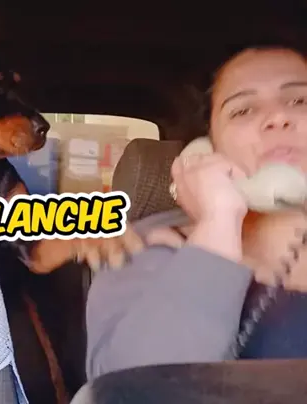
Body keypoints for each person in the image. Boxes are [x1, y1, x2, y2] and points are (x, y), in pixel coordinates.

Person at [85, 44, 307, 380]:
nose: (278, 117)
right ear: (205, 151)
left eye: (300, 101)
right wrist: (217, 227)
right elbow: (134, 390)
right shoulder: (148, 247)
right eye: (243, 110)